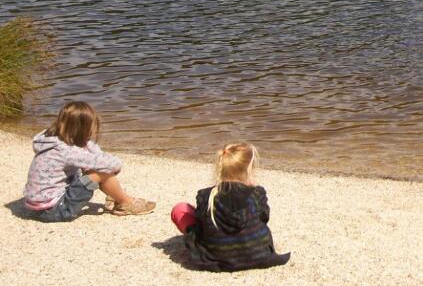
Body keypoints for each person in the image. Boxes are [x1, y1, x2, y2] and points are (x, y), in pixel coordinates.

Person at [22, 101, 155, 221]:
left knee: (92, 167)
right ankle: (126, 202)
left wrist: (87, 146)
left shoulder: (53, 141)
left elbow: (94, 157)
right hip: (55, 210)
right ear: (83, 129)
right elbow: (113, 164)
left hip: (37, 206)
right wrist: (111, 166)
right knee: (101, 172)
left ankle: (114, 195)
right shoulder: (68, 152)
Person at [170, 142, 290, 272]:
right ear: (249, 169)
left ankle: (223, 243)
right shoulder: (257, 193)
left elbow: (201, 221)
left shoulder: (206, 196)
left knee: (180, 209)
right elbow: (264, 217)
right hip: (258, 255)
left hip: (215, 257)